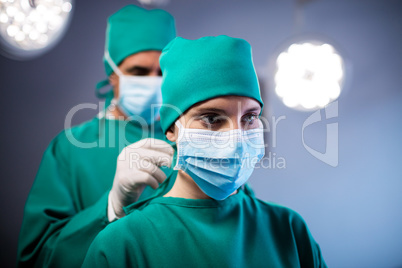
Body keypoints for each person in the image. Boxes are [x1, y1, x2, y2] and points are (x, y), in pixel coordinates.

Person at [82, 36, 327, 267]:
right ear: (171, 130)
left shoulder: (288, 229)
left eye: (250, 117)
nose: (236, 137)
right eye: (212, 118)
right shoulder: (124, 242)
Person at [17, 5, 176, 267]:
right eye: (138, 71)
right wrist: (110, 208)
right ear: (113, 74)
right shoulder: (70, 149)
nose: (153, 81)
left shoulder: (185, 141)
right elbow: (37, 258)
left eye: (162, 72)